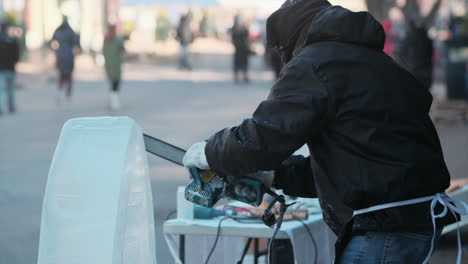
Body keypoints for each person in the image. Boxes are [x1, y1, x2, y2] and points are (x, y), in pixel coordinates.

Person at [182, 1, 465, 263]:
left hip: (385, 226)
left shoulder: (316, 62)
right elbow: (355, 162)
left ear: (290, 38)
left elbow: (264, 137)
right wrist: (277, 175)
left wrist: (210, 151)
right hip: (409, 219)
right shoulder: (372, 62)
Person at [51, 16, 80, 106]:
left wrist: (55, 51)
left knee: (62, 76)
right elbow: (77, 43)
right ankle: (67, 96)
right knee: (68, 76)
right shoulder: (70, 31)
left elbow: (51, 42)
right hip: (68, 56)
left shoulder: (58, 31)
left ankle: (61, 93)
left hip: (61, 55)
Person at [103, 25, 125, 111]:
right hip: (116, 64)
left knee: (112, 82)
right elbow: (122, 49)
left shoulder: (105, 40)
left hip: (108, 64)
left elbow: (104, 51)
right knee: (116, 82)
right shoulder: (117, 40)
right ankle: (114, 101)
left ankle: (112, 99)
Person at [0, 21, 20, 115]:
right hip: (11, 68)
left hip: (2, 69)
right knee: (10, 89)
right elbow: (17, 56)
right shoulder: (13, 40)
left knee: (2, 90)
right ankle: (11, 107)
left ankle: (2, 108)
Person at [231, 15, 251, 83]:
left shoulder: (245, 29)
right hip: (237, 49)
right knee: (237, 63)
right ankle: (236, 76)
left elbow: (247, 38)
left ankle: (245, 76)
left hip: (244, 49)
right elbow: (233, 39)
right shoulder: (234, 29)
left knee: (244, 63)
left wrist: (248, 46)